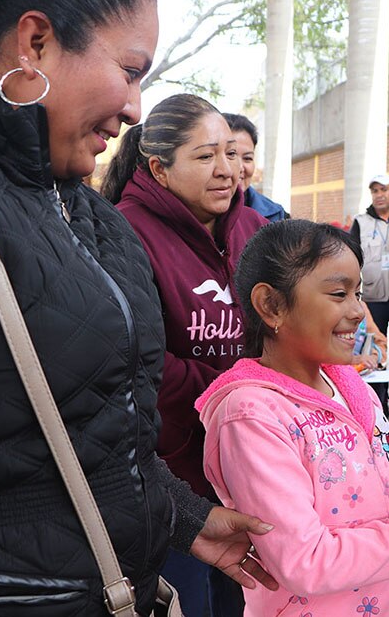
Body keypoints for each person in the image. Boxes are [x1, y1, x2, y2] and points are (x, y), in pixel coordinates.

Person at [0, 0, 278, 615]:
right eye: (129, 69)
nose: (135, 109)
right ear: (34, 43)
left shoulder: (81, 211)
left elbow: (90, 426)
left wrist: (181, 517)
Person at [194, 220, 389, 616]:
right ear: (272, 305)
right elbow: (304, 560)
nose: (359, 311)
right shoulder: (251, 416)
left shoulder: (348, 385)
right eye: (339, 294)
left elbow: (379, 483)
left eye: (358, 293)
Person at [101, 93, 268, 617]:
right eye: (203, 156)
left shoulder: (252, 228)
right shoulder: (123, 231)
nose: (225, 171)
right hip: (175, 480)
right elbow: (138, 361)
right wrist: (238, 389)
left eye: (229, 154)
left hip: (252, 468)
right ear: (159, 168)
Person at [350, 173, 389, 420]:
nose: (379, 195)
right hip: (373, 298)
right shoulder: (361, 222)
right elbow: (352, 258)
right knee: (375, 351)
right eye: (374, 191)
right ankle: (383, 399)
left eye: (383, 190)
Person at [222, 112, 289, 222]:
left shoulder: (275, 216)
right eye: (231, 155)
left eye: (247, 158)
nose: (240, 168)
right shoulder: (194, 213)